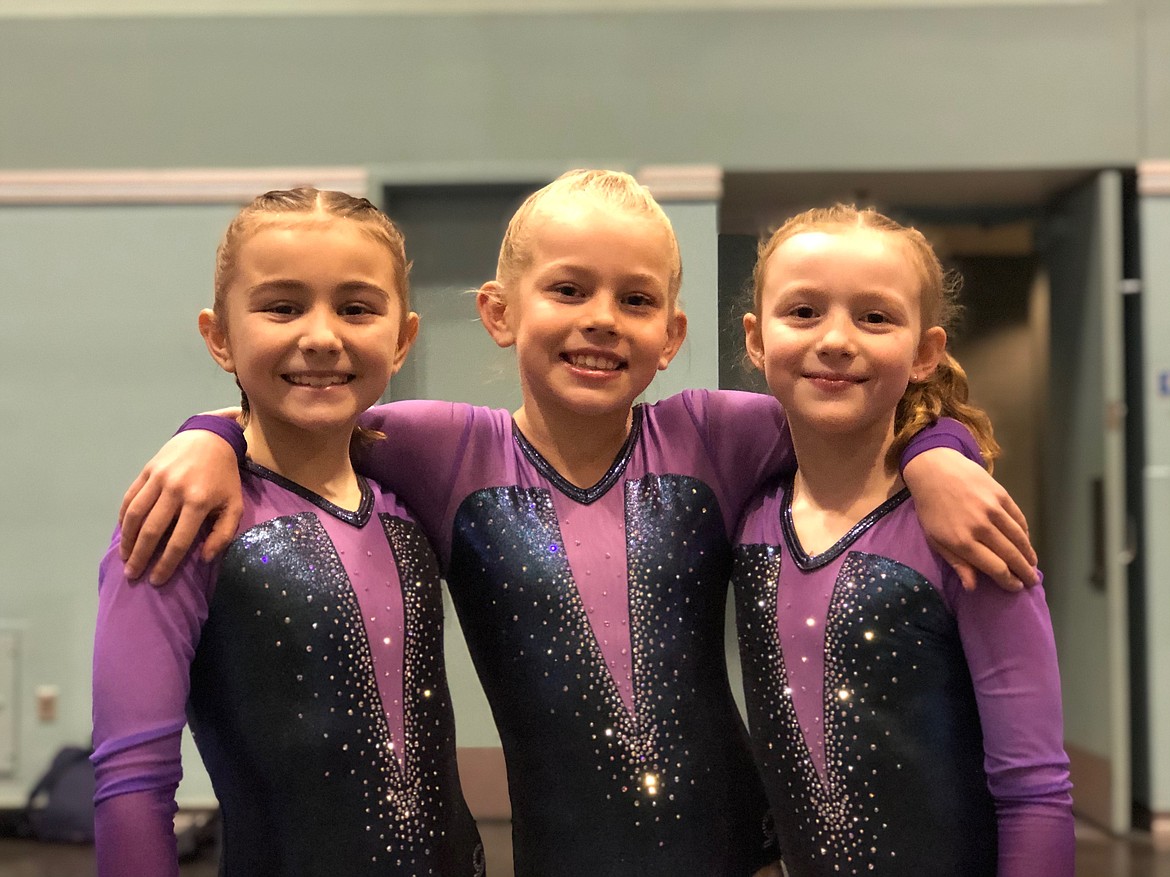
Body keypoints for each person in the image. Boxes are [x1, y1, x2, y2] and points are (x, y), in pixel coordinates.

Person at [113, 171, 1038, 877]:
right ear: (498, 312)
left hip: (738, 857)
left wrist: (940, 451)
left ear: (672, 334)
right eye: (567, 291)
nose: (601, 321)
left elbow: (850, 411)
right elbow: (302, 414)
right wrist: (209, 435)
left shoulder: (718, 434)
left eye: (634, 300)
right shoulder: (440, 453)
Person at [91, 188, 485, 877]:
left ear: (402, 337)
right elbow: (131, 786)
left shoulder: (414, 496)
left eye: (357, 308)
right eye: (282, 306)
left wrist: (211, 429)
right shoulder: (179, 524)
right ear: (219, 335)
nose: (323, 335)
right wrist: (213, 435)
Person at [733, 204, 1074, 876]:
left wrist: (941, 452)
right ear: (755, 338)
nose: (836, 338)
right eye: (803, 312)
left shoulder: (969, 531)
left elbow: (1035, 788)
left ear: (925, 353)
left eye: (875, 316)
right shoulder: (748, 506)